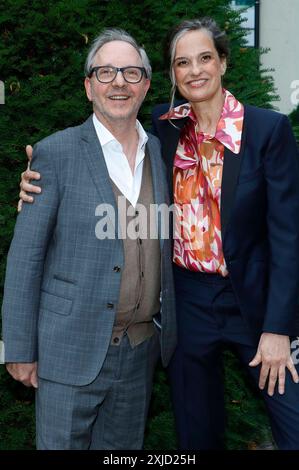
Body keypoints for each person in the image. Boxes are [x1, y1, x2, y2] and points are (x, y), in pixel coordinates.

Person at [18, 17, 299, 450]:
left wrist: (279, 326)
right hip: (186, 302)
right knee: (196, 431)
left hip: (254, 301)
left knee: (291, 418)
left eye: (205, 58)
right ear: (170, 75)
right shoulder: (165, 131)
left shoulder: (265, 130)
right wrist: (34, 183)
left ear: (223, 62)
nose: (195, 70)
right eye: (182, 62)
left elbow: (287, 234)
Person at [2, 28, 176, 450]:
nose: (119, 82)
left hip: (140, 352)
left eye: (132, 73)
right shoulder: (55, 153)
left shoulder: (164, 154)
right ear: (88, 86)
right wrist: (18, 348)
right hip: (67, 350)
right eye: (105, 72)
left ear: (147, 84)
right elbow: (25, 258)